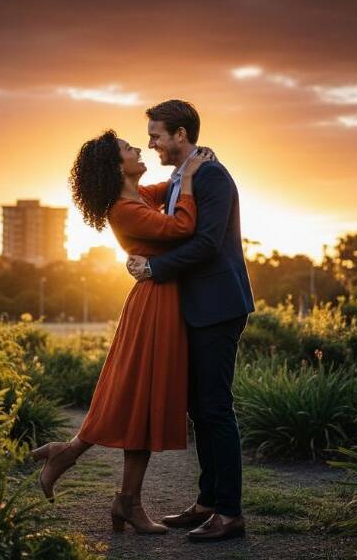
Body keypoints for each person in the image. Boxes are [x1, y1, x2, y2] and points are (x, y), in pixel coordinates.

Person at [31, 128, 215, 535]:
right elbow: (182, 227)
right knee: (138, 399)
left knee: (142, 403)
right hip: (154, 307)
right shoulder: (124, 208)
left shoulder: (138, 197)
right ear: (117, 167)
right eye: (128, 148)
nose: (137, 148)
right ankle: (115, 492)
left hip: (162, 304)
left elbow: (167, 190)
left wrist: (191, 163)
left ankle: (120, 496)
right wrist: (187, 179)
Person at [127, 99, 255, 542]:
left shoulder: (213, 176)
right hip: (198, 306)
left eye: (156, 135)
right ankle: (207, 501)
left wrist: (154, 269)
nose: (151, 143)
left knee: (216, 408)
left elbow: (206, 244)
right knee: (201, 409)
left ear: (181, 135)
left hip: (218, 305)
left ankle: (230, 513)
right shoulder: (182, 177)